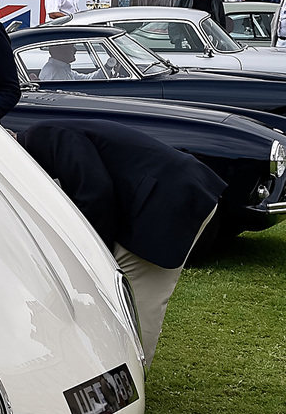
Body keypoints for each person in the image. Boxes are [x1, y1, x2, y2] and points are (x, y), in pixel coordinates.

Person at [15, 120, 225, 362]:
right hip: (176, 190)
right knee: (126, 298)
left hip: (166, 199)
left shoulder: (43, 136)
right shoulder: (47, 137)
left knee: (133, 302)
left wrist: (95, 256)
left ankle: (124, 381)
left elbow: (95, 194)